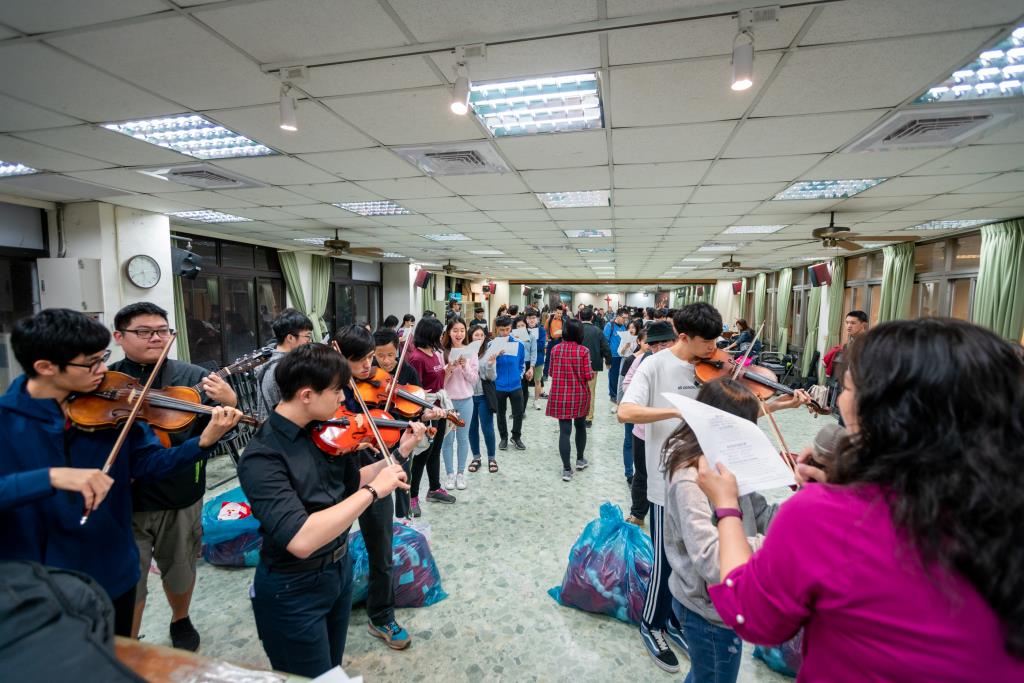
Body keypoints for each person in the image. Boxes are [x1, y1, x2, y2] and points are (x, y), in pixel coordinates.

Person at [696, 319, 1024, 681]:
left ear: (890, 411)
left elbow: (752, 615)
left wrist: (727, 507)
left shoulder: (823, 516)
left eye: (848, 387)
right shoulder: (1003, 502)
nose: (839, 399)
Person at [0, 308, 241, 638]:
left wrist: (202, 443)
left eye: (103, 358)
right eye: (91, 363)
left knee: (117, 653)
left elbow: (150, 463)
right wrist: (50, 478)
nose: (102, 370)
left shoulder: (115, 408)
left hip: (112, 567)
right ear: (45, 367)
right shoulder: (6, 422)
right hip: (34, 582)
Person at [618, 303, 809, 674]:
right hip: (672, 476)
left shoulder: (716, 365)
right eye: (707, 345)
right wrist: (681, 412)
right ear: (684, 337)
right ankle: (652, 625)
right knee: (668, 561)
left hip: (718, 470)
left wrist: (781, 403)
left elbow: (738, 412)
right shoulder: (655, 366)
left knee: (690, 565)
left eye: (716, 343)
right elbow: (626, 412)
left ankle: (677, 621)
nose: (714, 352)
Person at [239, 343, 420, 677]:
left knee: (332, 666)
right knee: (311, 675)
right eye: (337, 391)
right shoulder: (263, 457)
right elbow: (301, 538)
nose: (342, 400)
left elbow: (350, 483)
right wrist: (372, 492)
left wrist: (399, 454)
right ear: (307, 394)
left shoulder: (322, 432)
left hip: (338, 571)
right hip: (293, 588)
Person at [108, 302, 239, 650]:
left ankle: (180, 619)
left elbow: (218, 435)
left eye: (162, 331)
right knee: (129, 577)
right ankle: (129, 640)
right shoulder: (107, 380)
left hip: (180, 493)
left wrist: (229, 402)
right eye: (144, 332)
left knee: (180, 567)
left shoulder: (194, 377)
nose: (155, 338)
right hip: (126, 501)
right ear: (119, 336)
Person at [663, 378, 779, 683]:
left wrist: (804, 513)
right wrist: (774, 548)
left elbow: (761, 512)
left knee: (706, 675)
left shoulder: (727, 464)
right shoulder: (690, 479)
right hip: (706, 609)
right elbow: (713, 561)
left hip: (726, 603)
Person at [622, 322, 675, 527]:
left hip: (671, 431)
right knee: (641, 474)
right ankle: (637, 513)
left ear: (675, 342)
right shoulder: (644, 361)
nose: (659, 349)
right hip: (643, 429)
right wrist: (642, 397)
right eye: (655, 345)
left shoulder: (685, 365)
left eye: (665, 344)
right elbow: (627, 383)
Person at [406, 317, 457, 514]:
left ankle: (434, 488)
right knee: (421, 455)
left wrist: (449, 369)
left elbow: (440, 380)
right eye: (439, 333)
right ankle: (412, 496)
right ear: (429, 334)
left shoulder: (435, 354)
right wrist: (425, 409)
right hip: (426, 411)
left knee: (435, 452)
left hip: (440, 408)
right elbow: (415, 389)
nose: (441, 336)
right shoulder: (417, 358)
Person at [545, 319, 593, 481]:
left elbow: (550, 372)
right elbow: (588, 376)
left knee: (564, 432)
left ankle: (566, 469)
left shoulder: (555, 349)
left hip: (560, 395)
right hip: (579, 396)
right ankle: (580, 459)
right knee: (580, 427)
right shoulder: (583, 351)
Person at [440, 317, 478, 491]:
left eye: (462, 330)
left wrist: (464, 367)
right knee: (447, 440)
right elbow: (441, 383)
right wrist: (450, 368)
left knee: (463, 438)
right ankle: (449, 474)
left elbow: (473, 380)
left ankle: (461, 474)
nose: (459, 333)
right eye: (455, 330)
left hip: (466, 401)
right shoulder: (442, 352)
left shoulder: (471, 352)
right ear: (449, 332)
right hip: (447, 402)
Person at [256, 308, 314, 419]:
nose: (309, 341)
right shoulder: (286, 367)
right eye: (307, 336)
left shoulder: (269, 360)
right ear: (290, 338)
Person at [615, 321, 646, 485]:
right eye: (646, 341)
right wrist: (621, 405)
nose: (650, 345)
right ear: (640, 341)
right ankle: (629, 473)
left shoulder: (654, 359)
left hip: (645, 409)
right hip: (631, 405)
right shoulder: (632, 360)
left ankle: (641, 472)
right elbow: (622, 385)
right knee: (629, 440)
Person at [491, 315, 527, 451]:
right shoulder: (491, 345)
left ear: (511, 328)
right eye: (502, 330)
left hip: (515, 385)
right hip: (499, 385)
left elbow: (522, 363)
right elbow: (488, 365)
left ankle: (516, 437)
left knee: (518, 413)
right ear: (497, 329)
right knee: (501, 413)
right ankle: (503, 438)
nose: (505, 332)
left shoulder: (519, 344)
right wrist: (495, 357)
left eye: (507, 329)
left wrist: (519, 375)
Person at [466, 324, 498, 474]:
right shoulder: (465, 353)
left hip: (484, 396)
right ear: (470, 336)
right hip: (468, 396)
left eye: (481, 335)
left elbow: (492, 377)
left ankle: (492, 458)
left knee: (487, 428)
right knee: (472, 429)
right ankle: (476, 458)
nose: (479, 338)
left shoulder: (489, 352)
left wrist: (490, 366)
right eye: (476, 335)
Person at [578, 306, 611, 428]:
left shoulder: (576, 330)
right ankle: (588, 418)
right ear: (592, 317)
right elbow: (605, 347)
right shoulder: (598, 331)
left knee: (577, 390)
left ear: (580, 317)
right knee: (590, 391)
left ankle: (578, 414)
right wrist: (608, 361)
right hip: (593, 365)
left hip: (577, 365)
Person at [822, 309, 868, 380]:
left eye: (853, 323)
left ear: (863, 325)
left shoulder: (869, 344)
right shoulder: (848, 345)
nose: (849, 326)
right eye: (847, 322)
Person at [603, 308, 628, 413]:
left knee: (621, 376)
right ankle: (613, 395)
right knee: (613, 376)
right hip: (613, 355)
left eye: (627, 318)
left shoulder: (624, 326)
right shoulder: (610, 326)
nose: (625, 320)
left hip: (623, 355)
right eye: (624, 318)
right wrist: (606, 357)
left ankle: (619, 394)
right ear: (618, 316)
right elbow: (605, 341)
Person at [513, 316, 537, 418]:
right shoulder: (512, 336)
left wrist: (531, 367)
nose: (520, 327)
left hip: (526, 363)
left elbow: (533, 352)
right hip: (515, 364)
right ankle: (515, 411)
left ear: (526, 325)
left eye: (522, 325)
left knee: (524, 388)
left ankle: (522, 411)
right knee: (515, 388)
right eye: (518, 326)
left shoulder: (531, 336)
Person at [526, 308, 546, 409]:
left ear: (537, 319)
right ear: (526, 319)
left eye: (534, 318)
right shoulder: (523, 330)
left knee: (537, 380)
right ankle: (523, 400)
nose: (532, 320)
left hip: (538, 359)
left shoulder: (541, 330)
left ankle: (536, 400)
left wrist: (529, 344)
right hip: (525, 359)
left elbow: (541, 345)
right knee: (524, 380)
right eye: (529, 318)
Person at [543, 305, 564, 381]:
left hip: (560, 341)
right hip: (551, 341)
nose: (559, 315)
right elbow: (544, 330)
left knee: (560, 359)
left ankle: (560, 375)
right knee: (548, 358)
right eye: (558, 313)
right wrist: (546, 337)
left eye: (561, 313)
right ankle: (545, 374)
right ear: (555, 312)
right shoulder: (550, 319)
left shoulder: (563, 321)